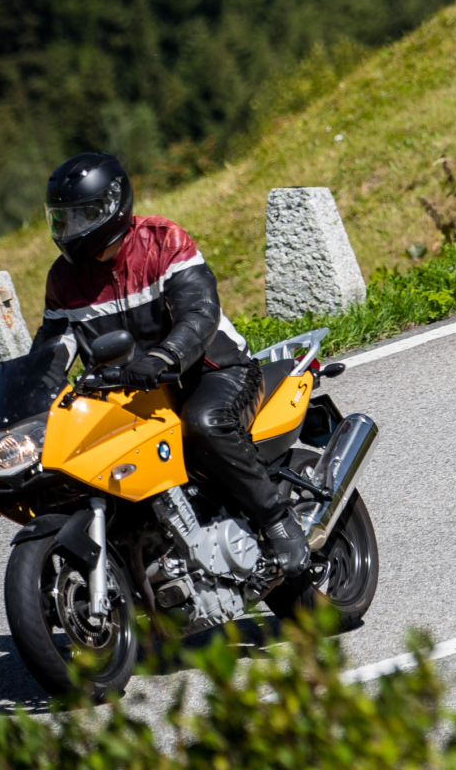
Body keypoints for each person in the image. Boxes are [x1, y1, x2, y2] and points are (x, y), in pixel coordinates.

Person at [31, 152, 308, 581]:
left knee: (202, 424)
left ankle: (276, 520)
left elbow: (199, 313)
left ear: (113, 206)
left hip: (213, 371)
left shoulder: (163, 241)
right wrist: (31, 396)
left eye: (81, 217)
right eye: (61, 220)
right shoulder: (63, 281)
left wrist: (164, 357)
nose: (69, 231)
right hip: (129, 393)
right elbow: (52, 349)